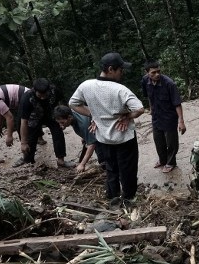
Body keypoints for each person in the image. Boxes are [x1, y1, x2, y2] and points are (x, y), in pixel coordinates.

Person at [69, 53, 145, 207]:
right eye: (120, 69)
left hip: (103, 137)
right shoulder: (120, 90)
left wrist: (94, 115)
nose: (122, 72)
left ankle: (113, 196)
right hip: (124, 137)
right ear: (111, 69)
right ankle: (128, 199)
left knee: (111, 168)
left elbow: (73, 103)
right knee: (127, 169)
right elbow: (140, 109)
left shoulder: (86, 86)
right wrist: (128, 116)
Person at [141, 59, 186, 173]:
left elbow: (177, 103)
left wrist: (181, 121)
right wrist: (151, 108)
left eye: (158, 71)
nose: (157, 74)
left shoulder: (169, 84)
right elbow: (148, 96)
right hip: (156, 116)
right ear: (147, 73)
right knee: (158, 140)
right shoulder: (145, 81)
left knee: (171, 142)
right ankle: (162, 160)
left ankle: (171, 162)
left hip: (169, 117)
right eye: (153, 73)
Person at [17, 78, 71, 168]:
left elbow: (61, 103)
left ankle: (61, 160)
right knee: (31, 139)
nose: (43, 97)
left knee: (58, 134)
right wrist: (23, 143)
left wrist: (64, 119)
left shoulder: (54, 90)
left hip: (51, 114)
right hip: (34, 117)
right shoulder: (27, 97)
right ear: (34, 90)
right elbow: (24, 121)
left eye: (45, 95)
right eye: (40, 95)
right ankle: (28, 163)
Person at [54, 105, 107, 173]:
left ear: (70, 117)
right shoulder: (72, 113)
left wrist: (82, 164)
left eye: (62, 122)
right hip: (94, 130)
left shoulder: (83, 124)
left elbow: (92, 145)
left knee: (103, 158)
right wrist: (84, 137)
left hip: (103, 133)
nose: (60, 125)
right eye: (59, 123)